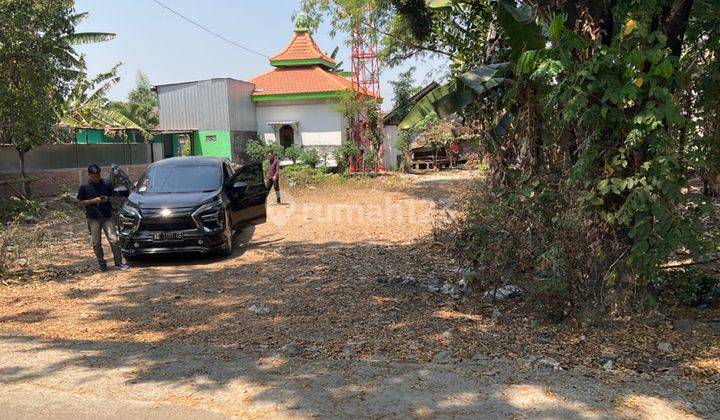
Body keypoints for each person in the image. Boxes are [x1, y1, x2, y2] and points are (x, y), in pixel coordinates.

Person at [77, 164, 129, 272]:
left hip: (107, 217)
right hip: (93, 218)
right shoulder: (84, 186)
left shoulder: (106, 183)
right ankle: (101, 263)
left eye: (98, 175)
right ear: (89, 175)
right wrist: (92, 201)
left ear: (100, 173)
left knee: (113, 240)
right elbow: (80, 202)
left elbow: (113, 196)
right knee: (96, 242)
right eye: (94, 176)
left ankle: (118, 262)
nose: (96, 178)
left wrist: (107, 199)